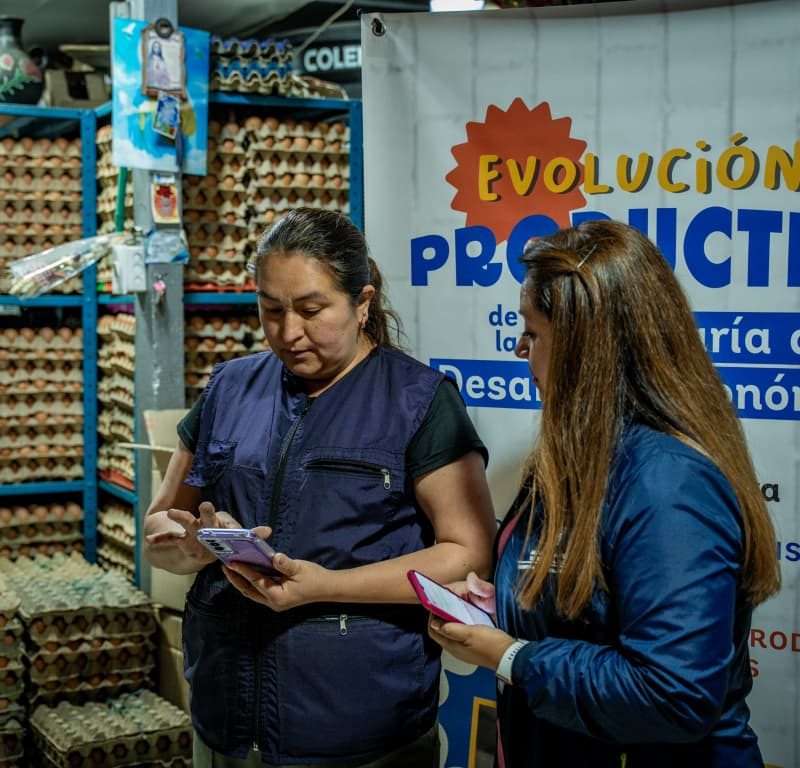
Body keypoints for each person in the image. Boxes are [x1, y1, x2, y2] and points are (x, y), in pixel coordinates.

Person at [143, 207, 497, 767]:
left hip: (363, 729)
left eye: (311, 310)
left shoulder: (419, 401)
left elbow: (467, 555)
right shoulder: (229, 388)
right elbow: (161, 519)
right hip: (224, 721)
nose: (288, 332)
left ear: (362, 302)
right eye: (270, 310)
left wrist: (326, 585)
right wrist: (184, 545)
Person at [428, 219, 780, 768]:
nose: (521, 348)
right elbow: (586, 607)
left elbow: (672, 693)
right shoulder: (578, 457)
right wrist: (502, 608)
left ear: (584, 348)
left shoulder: (669, 484)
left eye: (534, 332)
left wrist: (515, 657)